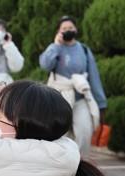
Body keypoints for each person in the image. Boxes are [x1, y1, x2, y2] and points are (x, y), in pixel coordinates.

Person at [39, 16, 107, 156]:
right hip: (60, 98)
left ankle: (81, 165)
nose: (68, 30)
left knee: (84, 132)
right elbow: (45, 65)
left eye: (70, 28)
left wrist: (101, 104)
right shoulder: (55, 48)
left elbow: (93, 76)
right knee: (59, 134)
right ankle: (61, 163)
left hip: (80, 96)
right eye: (64, 28)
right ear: (59, 31)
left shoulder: (84, 49)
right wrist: (56, 45)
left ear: (76, 29)